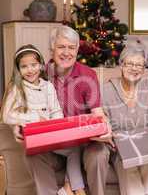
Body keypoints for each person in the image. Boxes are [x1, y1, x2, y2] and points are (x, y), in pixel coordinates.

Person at [24, 26, 112, 195]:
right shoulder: (39, 74)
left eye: (71, 48)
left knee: (98, 153)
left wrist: (105, 128)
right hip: (52, 143)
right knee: (32, 154)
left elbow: (98, 113)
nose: (66, 52)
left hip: (84, 143)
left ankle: (72, 188)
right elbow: (19, 96)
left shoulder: (88, 75)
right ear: (51, 49)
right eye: (61, 47)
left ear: (78, 50)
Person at [0, 44, 87, 195]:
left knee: (74, 148)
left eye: (34, 65)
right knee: (35, 156)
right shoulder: (17, 88)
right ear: (18, 69)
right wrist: (33, 118)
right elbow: (6, 115)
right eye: (24, 66)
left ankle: (75, 188)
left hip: (51, 137)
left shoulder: (48, 86)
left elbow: (56, 111)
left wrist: (56, 126)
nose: (30, 70)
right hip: (34, 141)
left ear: (40, 65)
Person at [101, 41, 148, 195]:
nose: (134, 69)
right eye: (130, 64)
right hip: (120, 150)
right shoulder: (106, 91)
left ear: (143, 69)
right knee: (129, 170)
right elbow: (104, 125)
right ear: (121, 65)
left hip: (145, 147)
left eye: (139, 65)